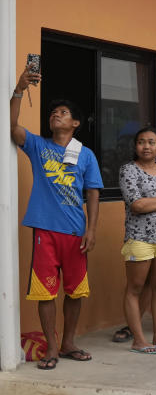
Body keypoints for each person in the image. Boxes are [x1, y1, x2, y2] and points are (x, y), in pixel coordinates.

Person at [12, 65, 102, 370]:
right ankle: (51, 347)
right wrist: (19, 89)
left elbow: (93, 193)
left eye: (63, 112)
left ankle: (68, 343)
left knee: (75, 290)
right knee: (45, 290)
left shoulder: (86, 154)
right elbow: (11, 127)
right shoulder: (39, 146)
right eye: (54, 113)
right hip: (45, 231)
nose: (56, 115)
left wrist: (91, 229)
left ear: (75, 122)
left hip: (76, 232)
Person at [118, 126, 156, 354]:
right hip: (139, 237)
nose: (146, 146)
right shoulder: (128, 170)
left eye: (151, 142)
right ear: (135, 146)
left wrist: (155, 202)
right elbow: (136, 204)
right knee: (135, 288)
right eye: (142, 142)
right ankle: (138, 339)